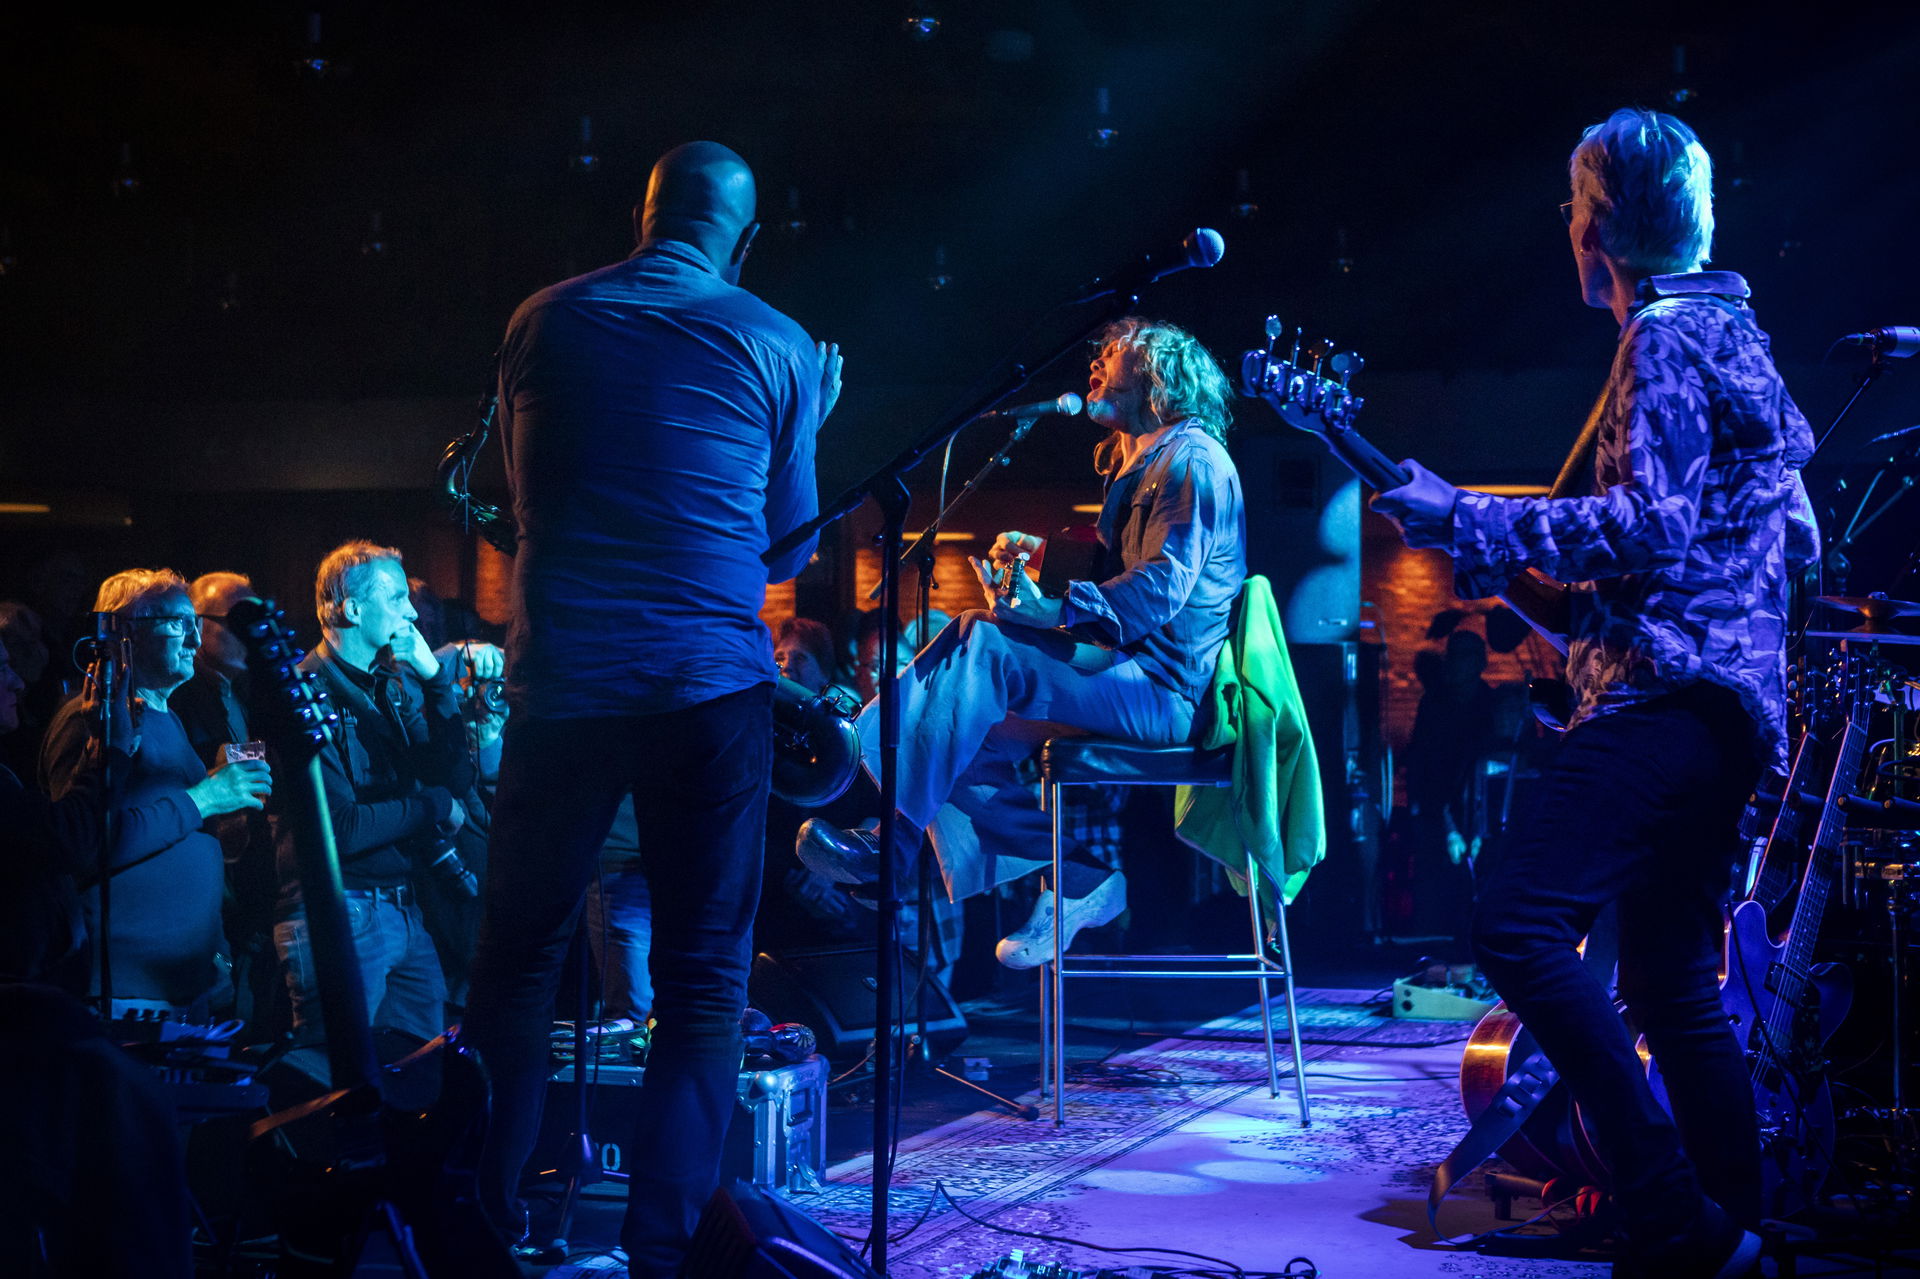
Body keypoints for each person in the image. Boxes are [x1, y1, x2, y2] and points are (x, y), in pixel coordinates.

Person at [1371, 108, 1816, 1278]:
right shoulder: (1742, 343)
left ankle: (1672, 1215)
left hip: (1666, 702)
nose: (1566, 227)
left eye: (1573, 206)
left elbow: (1652, 528)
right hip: (1725, 714)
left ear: (1601, 223)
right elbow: (1787, 552)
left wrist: (1465, 512)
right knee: (1671, 983)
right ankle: (1731, 1246)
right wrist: (1515, 577)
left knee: (1515, 925)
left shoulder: (1666, 339)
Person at [462, 140, 841, 1274]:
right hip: (704, 690)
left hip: (566, 680)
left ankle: (477, 1224)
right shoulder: (775, 340)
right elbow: (789, 542)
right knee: (702, 979)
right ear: (746, 235)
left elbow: (524, 490)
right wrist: (812, 410)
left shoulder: (542, 318)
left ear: (645, 214)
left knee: (518, 965)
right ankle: (662, 1250)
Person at [801, 317, 1245, 968]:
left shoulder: (1195, 459)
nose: (1095, 364)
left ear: (1158, 377)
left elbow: (1160, 589)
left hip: (1164, 691)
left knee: (978, 645)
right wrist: (1034, 589)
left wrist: (1049, 608)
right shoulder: (1142, 464)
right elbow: (1111, 598)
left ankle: (890, 843)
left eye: (1114, 354)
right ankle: (1081, 877)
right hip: (1124, 673)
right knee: (952, 730)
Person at [270, 541, 500, 1084]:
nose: (414, 612)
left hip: (399, 905)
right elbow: (342, 829)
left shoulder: (392, 685)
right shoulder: (304, 690)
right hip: (338, 909)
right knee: (334, 1081)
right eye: (397, 597)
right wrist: (433, 806)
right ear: (350, 608)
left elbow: (453, 776)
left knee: (420, 1077)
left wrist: (435, 678)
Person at [39, 569, 273, 1015]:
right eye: (176, 624)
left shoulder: (167, 717)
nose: (193, 639)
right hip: (127, 991)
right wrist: (205, 797)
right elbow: (83, 842)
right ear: (126, 634)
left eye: (195, 624)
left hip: (186, 984)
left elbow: (170, 832)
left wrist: (218, 955)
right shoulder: (92, 719)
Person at [173, 570, 283, 1033]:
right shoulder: (177, 693)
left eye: (253, 622)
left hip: (244, 877)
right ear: (197, 625)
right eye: (234, 623)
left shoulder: (242, 689)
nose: (248, 636)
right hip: (199, 888)